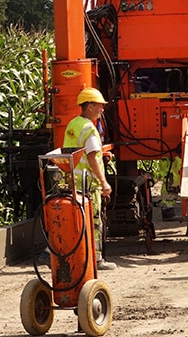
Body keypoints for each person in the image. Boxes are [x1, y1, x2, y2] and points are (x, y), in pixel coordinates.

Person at [64, 87, 116, 270]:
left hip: (72, 182)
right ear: (90, 106)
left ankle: (75, 258)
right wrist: (103, 182)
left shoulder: (73, 125)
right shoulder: (89, 129)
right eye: (99, 106)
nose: (102, 109)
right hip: (88, 184)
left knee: (74, 222)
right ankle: (97, 259)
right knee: (94, 223)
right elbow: (93, 157)